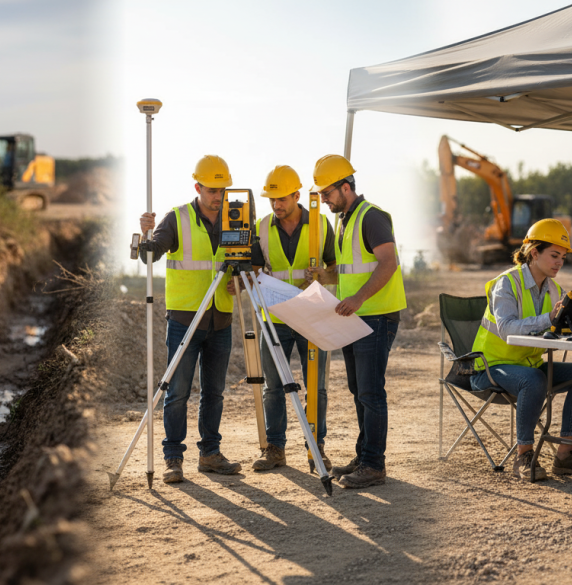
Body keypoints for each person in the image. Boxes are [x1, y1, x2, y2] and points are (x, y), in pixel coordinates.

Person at [470, 219, 572, 481]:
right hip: (490, 367)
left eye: (563, 257)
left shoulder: (555, 290)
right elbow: (507, 329)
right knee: (534, 380)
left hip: (528, 365)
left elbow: (561, 328)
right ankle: (524, 456)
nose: (559, 262)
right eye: (554, 255)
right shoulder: (507, 284)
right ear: (534, 253)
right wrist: (548, 318)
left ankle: (565, 455)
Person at [137, 154, 242, 484]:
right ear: (198, 188)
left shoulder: (235, 219)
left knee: (214, 392)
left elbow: (246, 261)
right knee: (178, 391)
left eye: (222, 190)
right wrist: (144, 233)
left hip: (220, 318)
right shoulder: (177, 218)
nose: (218, 196)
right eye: (212, 190)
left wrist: (239, 280)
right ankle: (173, 458)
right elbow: (150, 256)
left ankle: (210, 453)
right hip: (184, 319)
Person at [307, 155, 406, 489]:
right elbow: (352, 270)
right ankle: (364, 457)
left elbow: (388, 262)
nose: (323, 199)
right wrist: (325, 277)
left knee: (370, 392)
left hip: (375, 316)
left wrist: (359, 298)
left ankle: (374, 465)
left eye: (327, 192)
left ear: (345, 187)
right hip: (356, 316)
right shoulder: (345, 221)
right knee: (359, 390)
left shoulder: (372, 217)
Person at [248, 165, 337, 473]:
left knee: (317, 387)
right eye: (272, 199)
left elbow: (336, 268)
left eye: (282, 198)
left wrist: (323, 275)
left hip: (312, 316)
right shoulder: (261, 227)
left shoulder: (321, 224)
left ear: (297, 196)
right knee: (273, 387)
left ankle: (316, 448)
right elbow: (255, 272)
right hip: (275, 318)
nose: (276, 204)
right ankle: (275, 449)